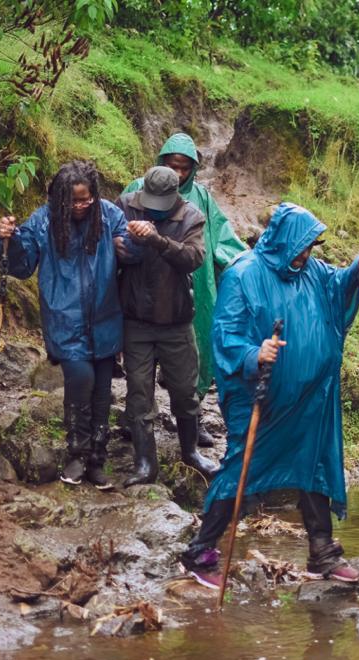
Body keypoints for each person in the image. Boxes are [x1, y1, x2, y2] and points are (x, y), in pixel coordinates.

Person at [178, 203, 359, 588]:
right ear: (285, 241)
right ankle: (200, 551)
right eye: (302, 246)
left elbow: (338, 286)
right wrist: (255, 354)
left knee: (314, 466)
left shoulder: (311, 272)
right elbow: (225, 336)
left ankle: (322, 552)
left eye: (311, 247)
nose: (306, 254)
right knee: (241, 468)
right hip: (261, 399)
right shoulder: (243, 275)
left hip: (311, 398)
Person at [0, 160, 136, 490]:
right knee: (81, 379)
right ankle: (77, 454)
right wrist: (8, 239)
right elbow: (22, 263)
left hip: (104, 317)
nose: (82, 206)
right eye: (74, 201)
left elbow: (130, 251)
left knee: (102, 389)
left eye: (87, 199)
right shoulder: (43, 221)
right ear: (59, 199)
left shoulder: (109, 214)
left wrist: (137, 241)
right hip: (64, 317)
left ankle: (97, 460)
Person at [124, 133, 247, 448]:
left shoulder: (201, 201)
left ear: (193, 168)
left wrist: (246, 266)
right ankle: (138, 425)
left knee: (194, 358)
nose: (178, 174)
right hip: (141, 297)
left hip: (189, 292)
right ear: (161, 162)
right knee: (139, 375)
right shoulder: (136, 193)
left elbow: (221, 240)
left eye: (184, 168)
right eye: (172, 166)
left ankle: (193, 426)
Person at [115, 166, 219, 486]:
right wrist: (122, 247)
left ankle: (190, 452)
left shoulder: (191, 217)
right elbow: (109, 243)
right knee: (139, 394)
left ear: (176, 196)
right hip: (136, 320)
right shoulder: (126, 205)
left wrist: (158, 241)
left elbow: (193, 258)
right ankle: (146, 462)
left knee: (185, 391)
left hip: (176, 320)